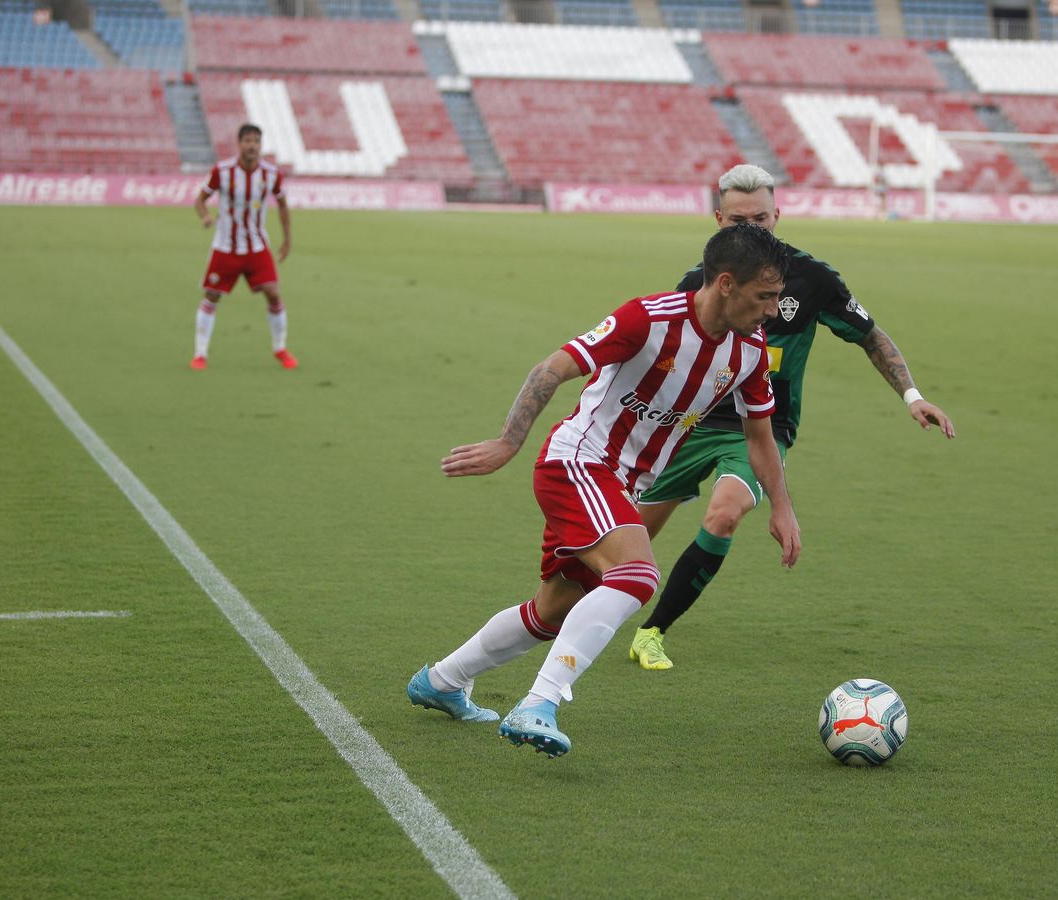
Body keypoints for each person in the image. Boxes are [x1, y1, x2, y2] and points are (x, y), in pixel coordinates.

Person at [406, 224, 802, 759]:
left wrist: (781, 506)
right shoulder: (648, 318)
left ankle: (442, 680)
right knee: (637, 575)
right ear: (726, 283)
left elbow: (759, 436)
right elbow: (553, 367)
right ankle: (540, 703)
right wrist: (508, 441)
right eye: (766, 296)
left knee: (550, 613)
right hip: (577, 463)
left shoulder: (750, 351)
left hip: (620, 484)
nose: (774, 310)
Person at [626, 164, 955, 671]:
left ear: (778, 214)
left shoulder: (813, 280)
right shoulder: (702, 281)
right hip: (691, 424)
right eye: (739, 220)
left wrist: (912, 395)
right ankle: (561, 612)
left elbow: (870, 335)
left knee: (725, 513)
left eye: (761, 218)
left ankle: (653, 631)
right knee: (629, 541)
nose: (751, 230)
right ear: (718, 220)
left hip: (762, 428)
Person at [190, 123, 295, 371]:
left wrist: (287, 239)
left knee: (273, 292)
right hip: (226, 246)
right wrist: (205, 216)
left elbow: (282, 205)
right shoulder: (223, 171)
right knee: (212, 296)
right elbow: (200, 200)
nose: (252, 146)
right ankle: (200, 353)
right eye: (248, 141)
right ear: (239, 144)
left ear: (261, 145)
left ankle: (280, 348)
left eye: (256, 141)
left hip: (257, 247)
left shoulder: (271, 174)